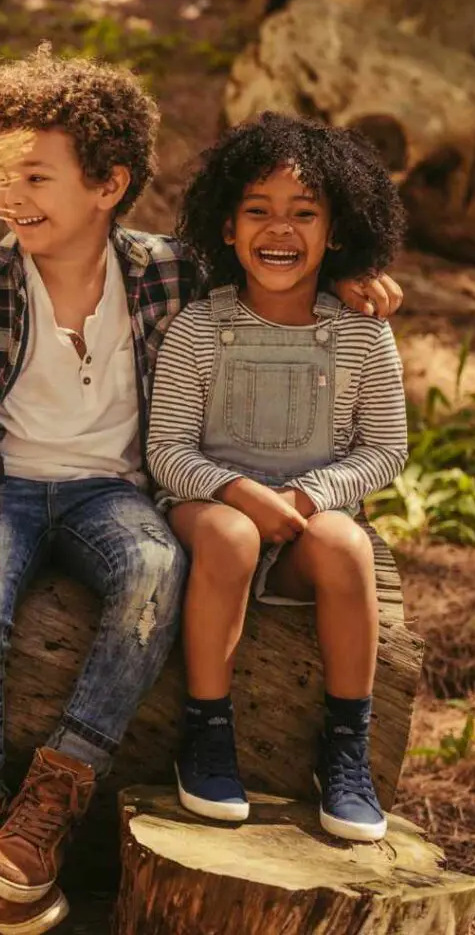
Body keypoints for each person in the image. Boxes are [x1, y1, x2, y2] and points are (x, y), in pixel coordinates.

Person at [0, 48, 404, 935]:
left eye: (35, 176)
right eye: (4, 174)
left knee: (154, 568)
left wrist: (345, 277)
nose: (12, 196)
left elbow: (272, 268)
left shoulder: (168, 272)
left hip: (113, 492)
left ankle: (59, 785)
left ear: (109, 186)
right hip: (6, 491)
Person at [146, 111, 408, 842]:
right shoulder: (199, 328)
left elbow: (385, 449)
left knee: (347, 546)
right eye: (257, 211)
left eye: (304, 214)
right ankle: (207, 731)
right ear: (227, 229)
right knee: (229, 535)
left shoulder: (361, 332)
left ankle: (346, 746)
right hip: (210, 510)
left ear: (338, 231)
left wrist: (306, 496)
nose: (280, 230)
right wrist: (238, 492)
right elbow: (166, 449)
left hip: (303, 523)